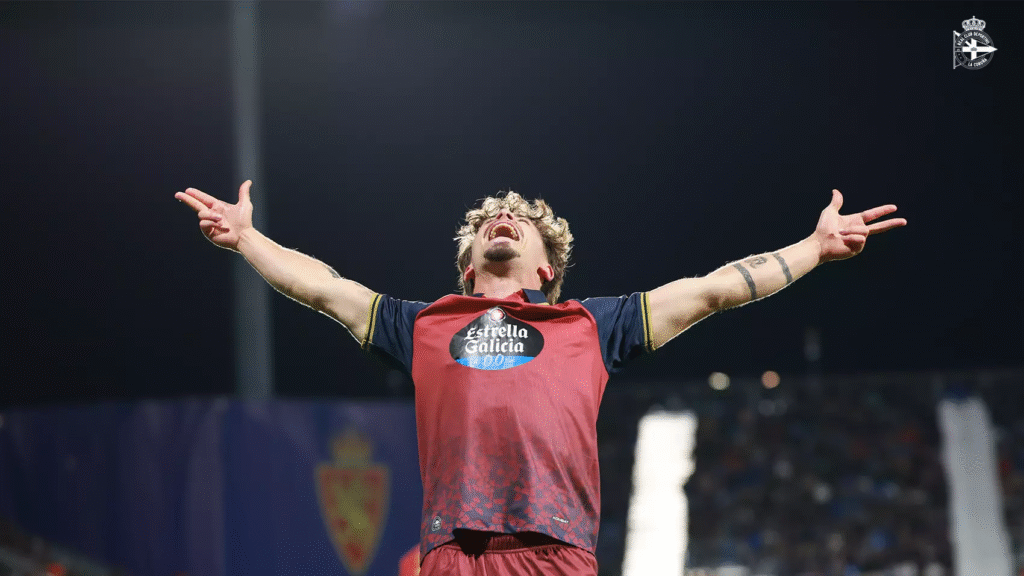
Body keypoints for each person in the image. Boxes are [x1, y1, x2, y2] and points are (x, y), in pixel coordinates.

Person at [176, 182, 905, 576]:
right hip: (453, 559)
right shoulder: (421, 324)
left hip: (556, 555)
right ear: (467, 265)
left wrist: (812, 247)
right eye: (490, 218)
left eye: (517, 220)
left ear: (546, 268)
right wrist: (246, 238)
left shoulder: (594, 325)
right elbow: (323, 287)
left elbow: (715, 289)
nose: (502, 218)